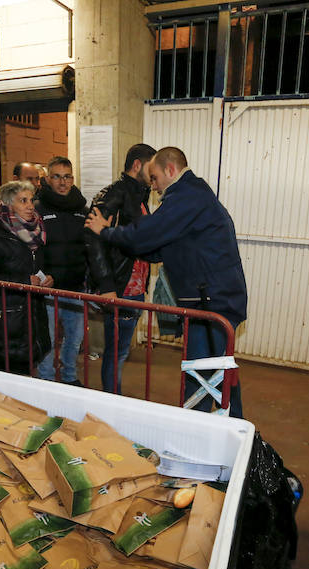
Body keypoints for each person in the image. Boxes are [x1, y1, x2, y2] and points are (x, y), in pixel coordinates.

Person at [85, 146, 248, 417]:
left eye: (156, 178)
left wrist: (106, 231)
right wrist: (124, 241)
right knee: (219, 369)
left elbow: (146, 234)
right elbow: (159, 247)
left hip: (211, 303)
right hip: (214, 299)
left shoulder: (185, 196)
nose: (155, 187)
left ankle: (195, 432)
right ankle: (236, 425)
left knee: (201, 375)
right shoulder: (193, 195)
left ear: (170, 171)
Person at [85, 143, 156, 393]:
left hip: (133, 288)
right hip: (119, 288)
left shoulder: (140, 195)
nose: (154, 173)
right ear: (137, 165)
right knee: (116, 353)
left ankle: (113, 398)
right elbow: (92, 239)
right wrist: (106, 286)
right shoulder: (114, 194)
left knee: (120, 351)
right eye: (151, 167)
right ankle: (111, 401)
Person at [0, 181, 52, 374]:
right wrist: (24, 282)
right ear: (8, 204)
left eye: (31, 200)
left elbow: (39, 264)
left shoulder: (37, 231)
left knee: (25, 372)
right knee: (5, 375)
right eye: (23, 200)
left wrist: (48, 277)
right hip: (6, 321)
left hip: (31, 313)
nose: (30, 206)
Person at [35, 156, 89, 385]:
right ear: (48, 179)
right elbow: (31, 248)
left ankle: (69, 378)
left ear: (73, 179)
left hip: (75, 288)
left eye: (67, 177)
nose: (62, 182)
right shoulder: (37, 209)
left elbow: (89, 248)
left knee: (74, 340)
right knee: (46, 339)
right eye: (56, 176)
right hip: (48, 288)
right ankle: (46, 379)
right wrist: (39, 275)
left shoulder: (83, 210)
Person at [0, 162, 43, 230]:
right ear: (16, 179)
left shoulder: (41, 201)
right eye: (29, 179)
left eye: (37, 179)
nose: (35, 183)